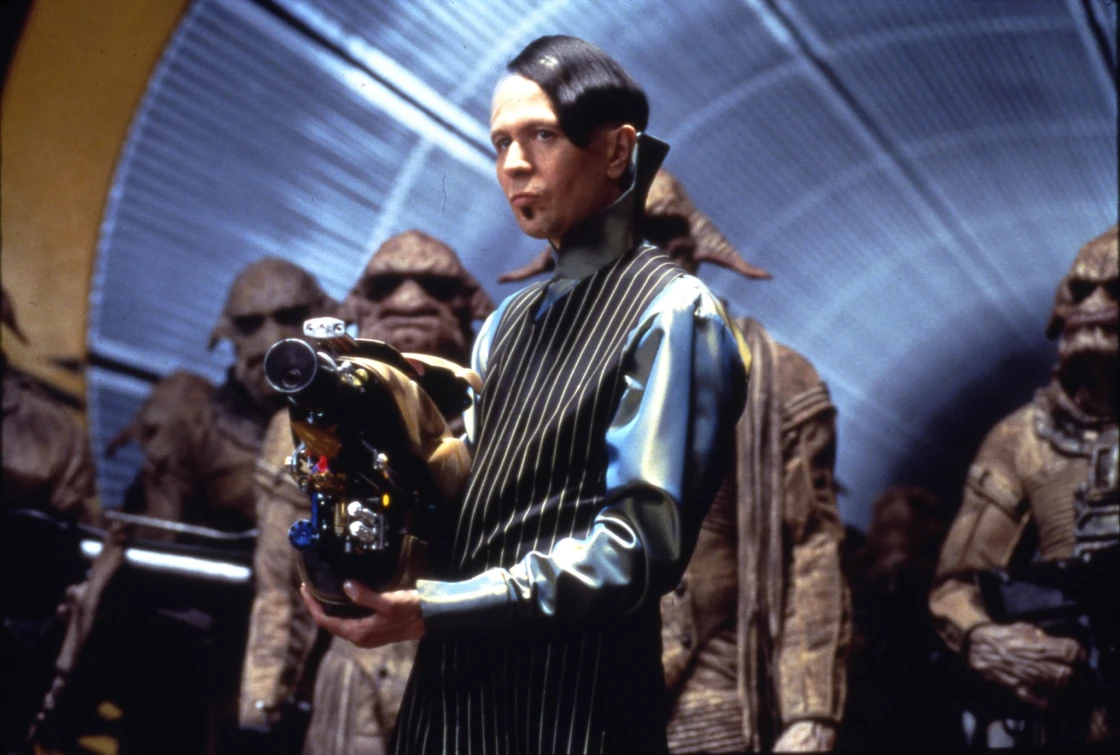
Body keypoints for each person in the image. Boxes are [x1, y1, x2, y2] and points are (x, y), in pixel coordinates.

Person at [301, 35, 749, 754]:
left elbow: (636, 551)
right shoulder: (509, 322)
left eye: (542, 135)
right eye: (501, 142)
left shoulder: (674, 313)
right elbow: (475, 498)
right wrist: (395, 438)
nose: (513, 163)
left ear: (616, 150)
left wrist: (440, 608)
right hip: (452, 702)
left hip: (576, 709)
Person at [33, 258, 335, 753]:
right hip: (199, 663)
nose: (271, 339)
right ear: (226, 334)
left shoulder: (353, 420)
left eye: (290, 316)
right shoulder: (191, 417)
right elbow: (160, 554)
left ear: (325, 315)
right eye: (250, 324)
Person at [239, 230, 494, 754]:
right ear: (358, 305)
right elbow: (282, 586)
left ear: (467, 303)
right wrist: (261, 708)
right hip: (357, 678)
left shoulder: (503, 414)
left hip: (475, 673)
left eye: (434, 286)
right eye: (386, 286)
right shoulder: (306, 423)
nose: (409, 300)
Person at [929, 225, 1118, 747]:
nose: (1094, 307)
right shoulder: (1021, 439)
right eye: (1081, 290)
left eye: (1115, 291)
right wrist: (984, 639)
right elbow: (955, 588)